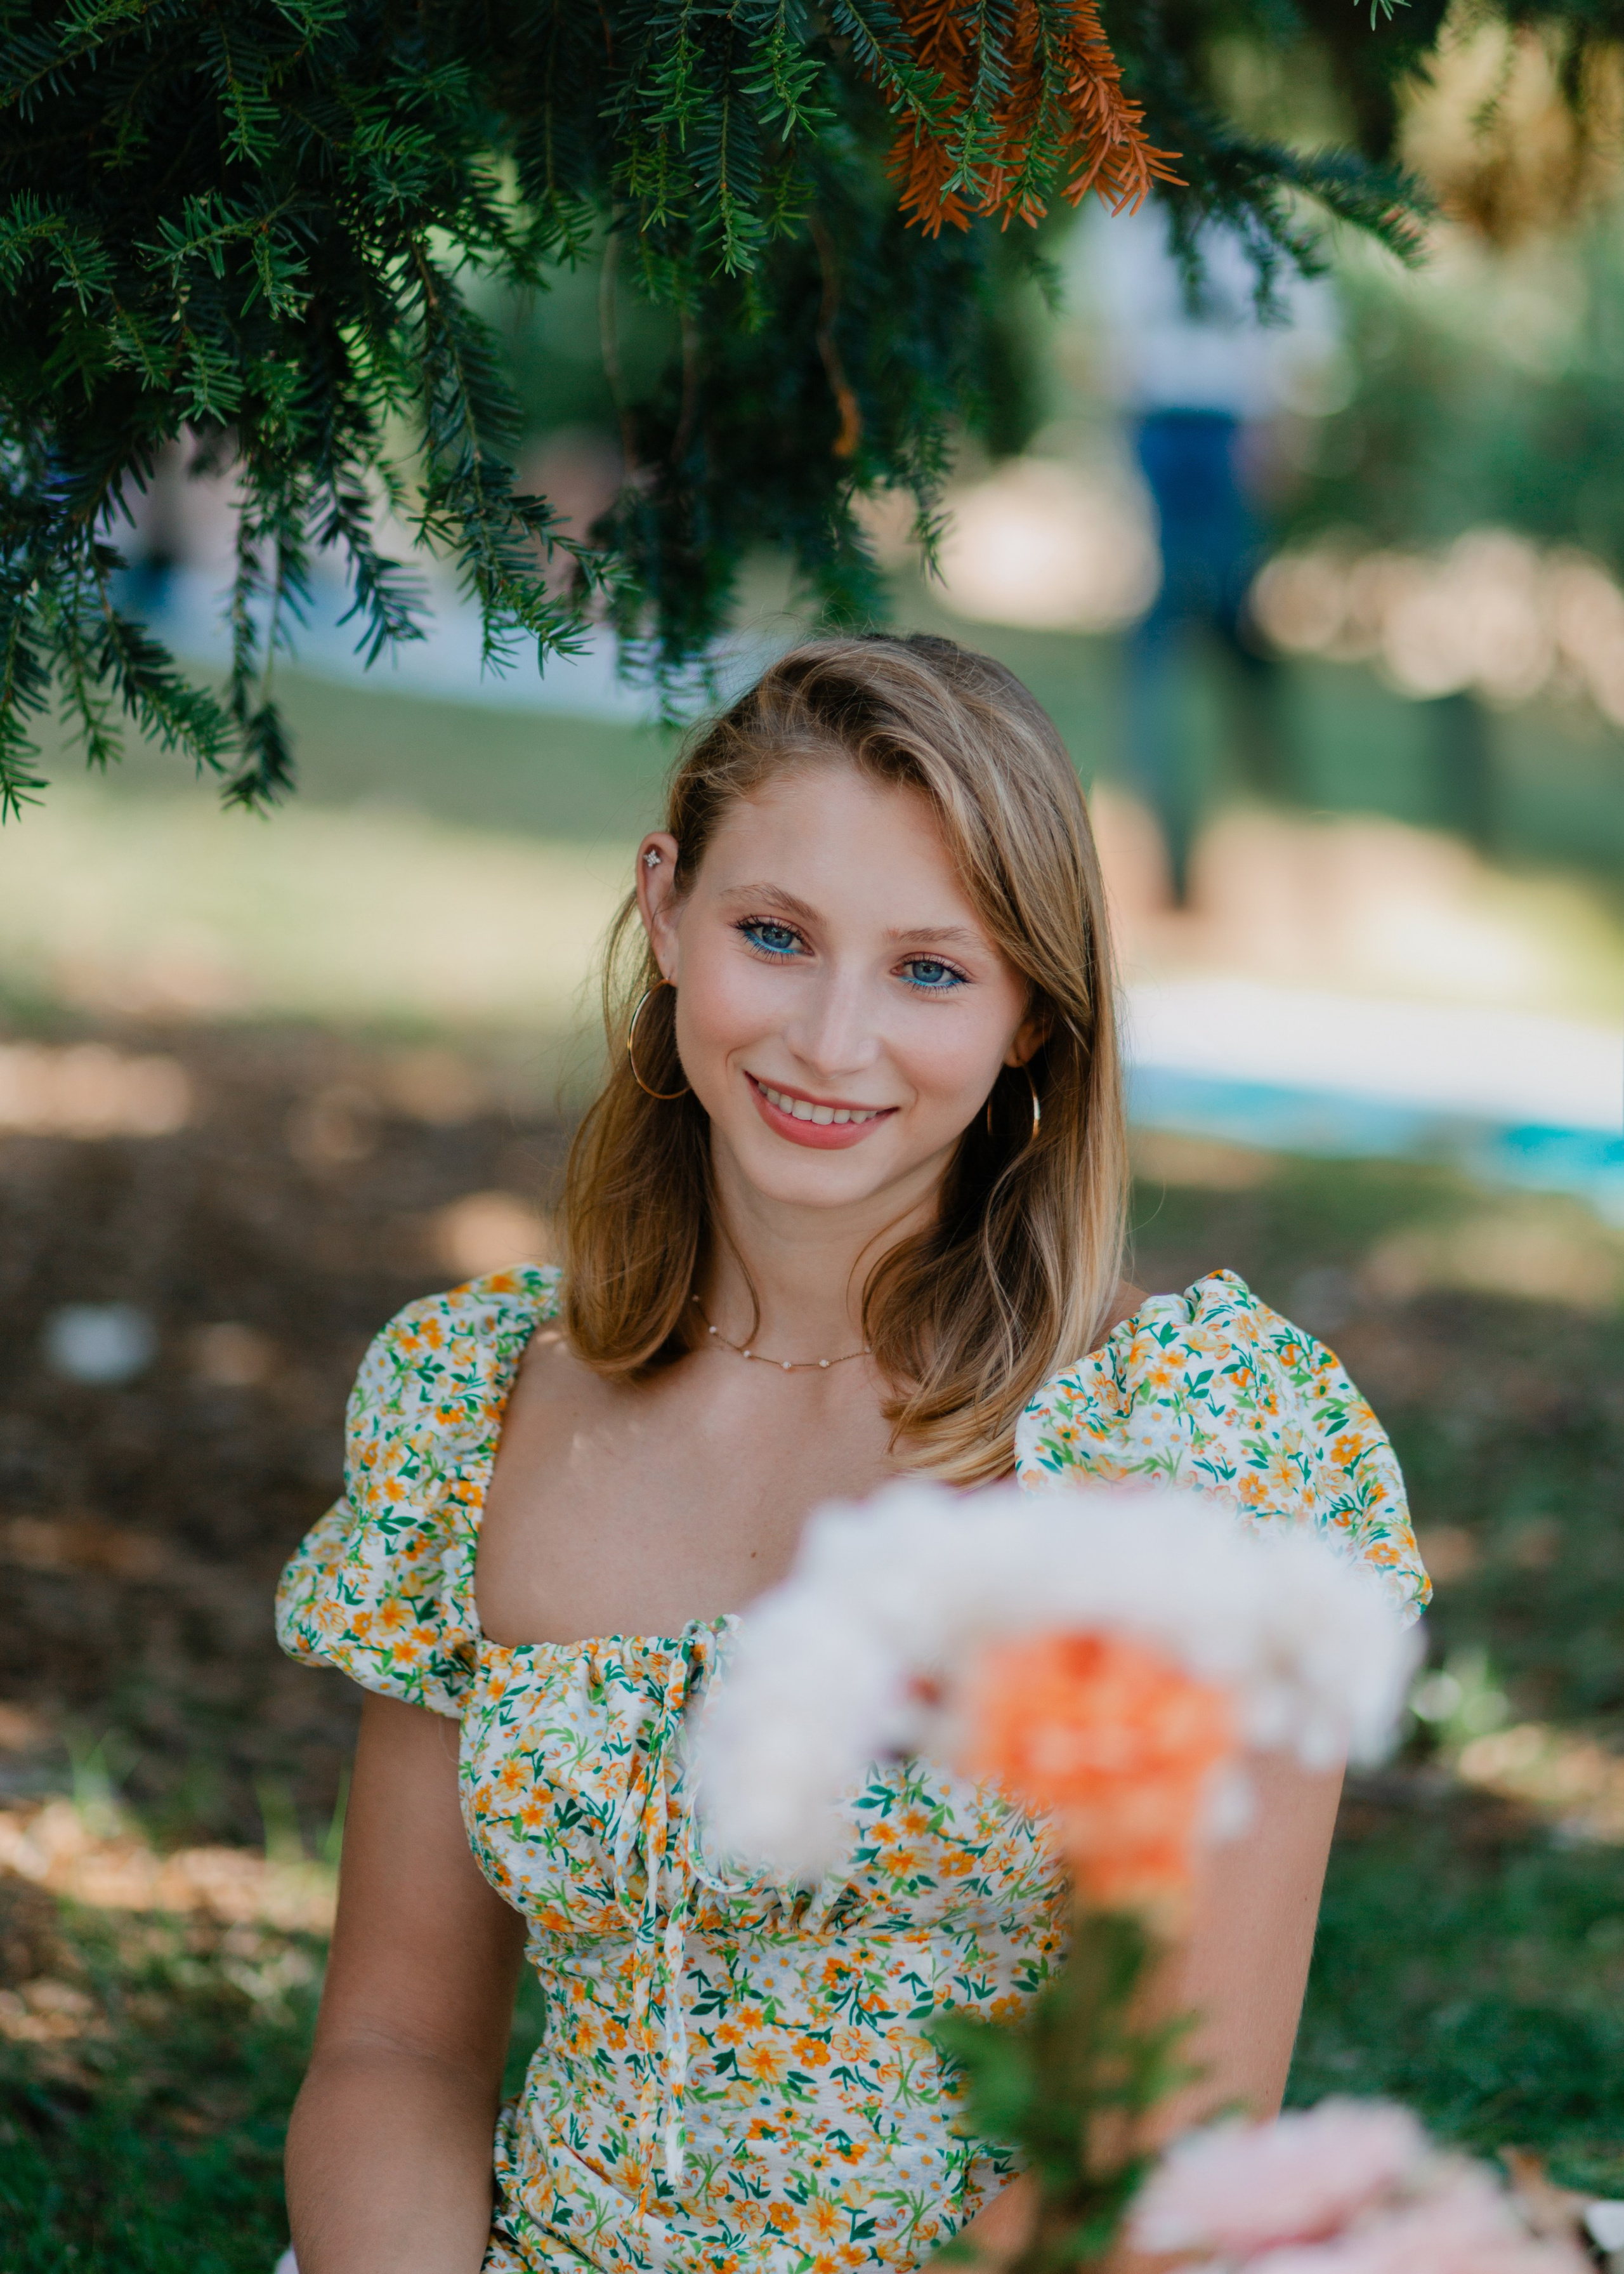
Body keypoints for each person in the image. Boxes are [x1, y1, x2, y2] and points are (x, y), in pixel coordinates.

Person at [273, 633, 1428, 2274]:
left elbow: (1149, 2144)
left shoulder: (1196, 1450)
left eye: (931, 971)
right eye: (774, 936)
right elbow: (399, 2043)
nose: (831, 1038)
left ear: (1036, 1012)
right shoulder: (472, 1402)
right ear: (665, 907)